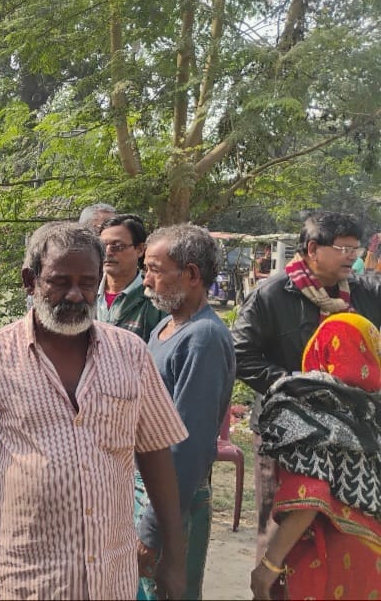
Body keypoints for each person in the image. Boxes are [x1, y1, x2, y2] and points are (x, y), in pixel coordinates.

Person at [0, 221, 189, 600]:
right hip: (29, 574)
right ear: (30, 280)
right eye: (59, 281)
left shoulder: (131, 353)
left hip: (110, 572)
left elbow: (155, 453)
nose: (75, 295)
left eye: (87, 283)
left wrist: (175, 555)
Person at [232, 210, 381, 562]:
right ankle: (272, 582)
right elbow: (240, 354)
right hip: (288, 432)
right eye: (343, 248)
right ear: (313, 248)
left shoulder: (366, 293)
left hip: (353, 435)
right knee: (282, 526)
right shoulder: (271, 295)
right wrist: (295, 387)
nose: (352, 257)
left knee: (346, 530)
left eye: (355, 249)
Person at [135, 224, 235, 600]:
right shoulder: (166, 325)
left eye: (155, 270)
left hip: (172, 500)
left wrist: (152, 530)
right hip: (148, 490)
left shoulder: (202, 338)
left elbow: (187, 448)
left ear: (191, 274)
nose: (146, 281)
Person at [251, 312, 381, 600]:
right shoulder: (373, 411)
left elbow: (309, 495)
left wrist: (270, 563)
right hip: (372, 560)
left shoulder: (308, 405)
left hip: (328, 557)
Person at [97, 213, 166, 340]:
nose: (108, 252)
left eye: (117, 246)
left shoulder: (156, 299)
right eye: (102, 246)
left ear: (140, 249)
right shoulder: (86, 292)